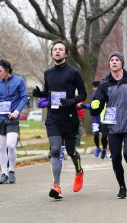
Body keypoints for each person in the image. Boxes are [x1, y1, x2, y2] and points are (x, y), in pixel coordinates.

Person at [32, 39, 87, 200]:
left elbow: (83, 94)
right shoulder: (48, 73)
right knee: (55, 149)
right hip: (53, 117)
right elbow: (49, 93)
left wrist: (71, 101)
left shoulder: (73, 72)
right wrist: (40, 94)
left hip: (70, 117)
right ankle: (56, 186)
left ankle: (79, 171)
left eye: (60, 49)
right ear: (52, 53)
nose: (57, 51)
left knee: (70, 151)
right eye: (55, 49)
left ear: (66, 54)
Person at [90, 52, 127, 199]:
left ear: (122, 63)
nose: (114, 62)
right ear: (109, 64)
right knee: (115, 158)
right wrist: (95, 105)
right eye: (112, 60)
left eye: (117, 60)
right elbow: (96, 109)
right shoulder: (104, 84)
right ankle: (122, 187)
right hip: (113, 127)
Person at [0, 59, 28, 184]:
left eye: (0, 71)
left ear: (7, 70)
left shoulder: (19, 81)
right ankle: (4, 173)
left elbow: (25, 98)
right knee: (2, 147)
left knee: (11, 144)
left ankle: (12, 170)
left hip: (13, 118)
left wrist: (17, 112)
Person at [78, 81, 109, 160]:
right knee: (95, 134)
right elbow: (93, 106)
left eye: (95, 87)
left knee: (104, 137)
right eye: (93, 87)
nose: (94, 89)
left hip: (103, 118)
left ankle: (104, 149)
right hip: (95, 118)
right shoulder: (93, 95)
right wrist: (84, 106)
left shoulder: (106, 94)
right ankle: (98, 148)